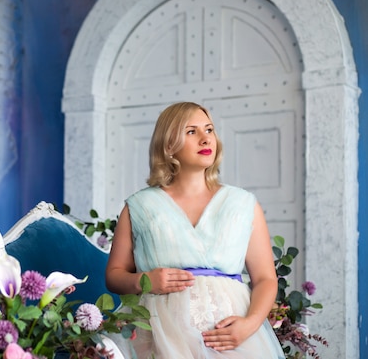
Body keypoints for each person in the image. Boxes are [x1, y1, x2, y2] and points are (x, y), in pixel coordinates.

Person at [105, 102, 284, 358]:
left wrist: (251, 324)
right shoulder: (139, 206)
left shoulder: (243, 204)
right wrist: (144, 281)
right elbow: (113, 276)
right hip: (157, 333)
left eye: (209, 130)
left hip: (230, 337)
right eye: (191, 132)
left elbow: (265, 278)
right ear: (168, 146)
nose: (205, 138)